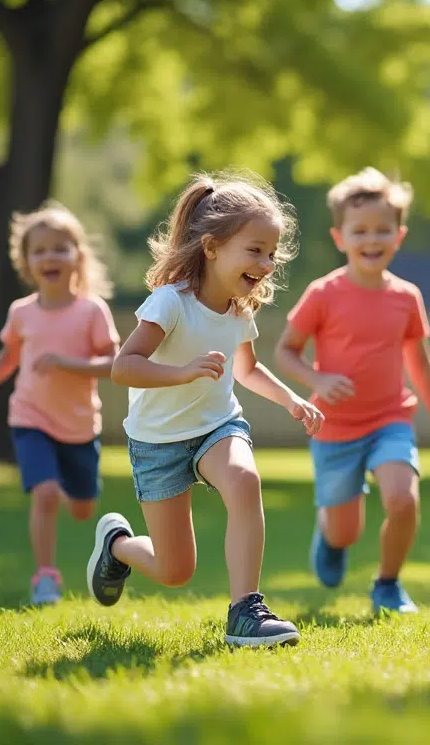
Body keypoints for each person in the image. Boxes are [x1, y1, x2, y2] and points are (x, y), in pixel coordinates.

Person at [87, 171, 324, 648]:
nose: (266, 262)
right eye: (254, 249)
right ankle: (116, 546)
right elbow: (123, 367)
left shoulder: (240, 311)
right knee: (175, 571)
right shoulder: (169, 304)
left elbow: (249, 370)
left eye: (271, 253)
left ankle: (245, 613)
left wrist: (293, 400)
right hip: (158, 442)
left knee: (245, 479)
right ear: (212, 247)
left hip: (218, 426)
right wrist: (182, 372)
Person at [275, 167, 430, 616]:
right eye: (359, 231)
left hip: (389, 420)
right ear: (339, 237)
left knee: (402, 497)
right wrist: (317, 380)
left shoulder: (406, 297)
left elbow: (420, 362)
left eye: (382, 230)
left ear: (399, 236)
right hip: (334, 427)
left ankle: (387, 584)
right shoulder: (323, 294)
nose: (371, 239)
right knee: (346, 532)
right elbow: (285, 351)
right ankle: (330, 534)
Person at [0, 202, 119, 606]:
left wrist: (67, 364)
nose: (50, 256)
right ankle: (45, 577)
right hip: (30, 417)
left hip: (81, 426)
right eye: (40, 250)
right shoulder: (21, 313)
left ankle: (74, 498)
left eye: (60, 248)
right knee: (46, 494)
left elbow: (115, 363)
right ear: (26, 262)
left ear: (77, 258)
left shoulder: (91, 311)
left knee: (83, 508)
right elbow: (9, 356)